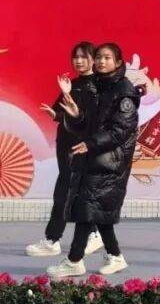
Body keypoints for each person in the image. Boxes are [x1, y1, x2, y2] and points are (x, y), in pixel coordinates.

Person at [47, 42, 140, 278]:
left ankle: (74, 260)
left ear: (118, 62)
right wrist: (75, 116)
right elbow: (86, 125)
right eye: (98, 57)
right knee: (96, 208)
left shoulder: (124, 91)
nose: (101, 61)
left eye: (107, 58)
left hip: (111, 160)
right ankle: (115, 256)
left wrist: (91, 143)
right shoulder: (94, 87)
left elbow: (120, 130)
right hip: (93, 156)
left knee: (88, 208)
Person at [26, 42, 103, 258]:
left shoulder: (99, 87)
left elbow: (90, 118)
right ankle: (88, 234)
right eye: (75, 57)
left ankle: (56, 239)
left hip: (84, 147)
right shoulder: (72, 85)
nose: (78, 61)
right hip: (66, 145)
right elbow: (61, 113)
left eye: (83, 57)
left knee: (71, 192)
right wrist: (56, 112)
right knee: (69, 191)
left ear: (93, 59)